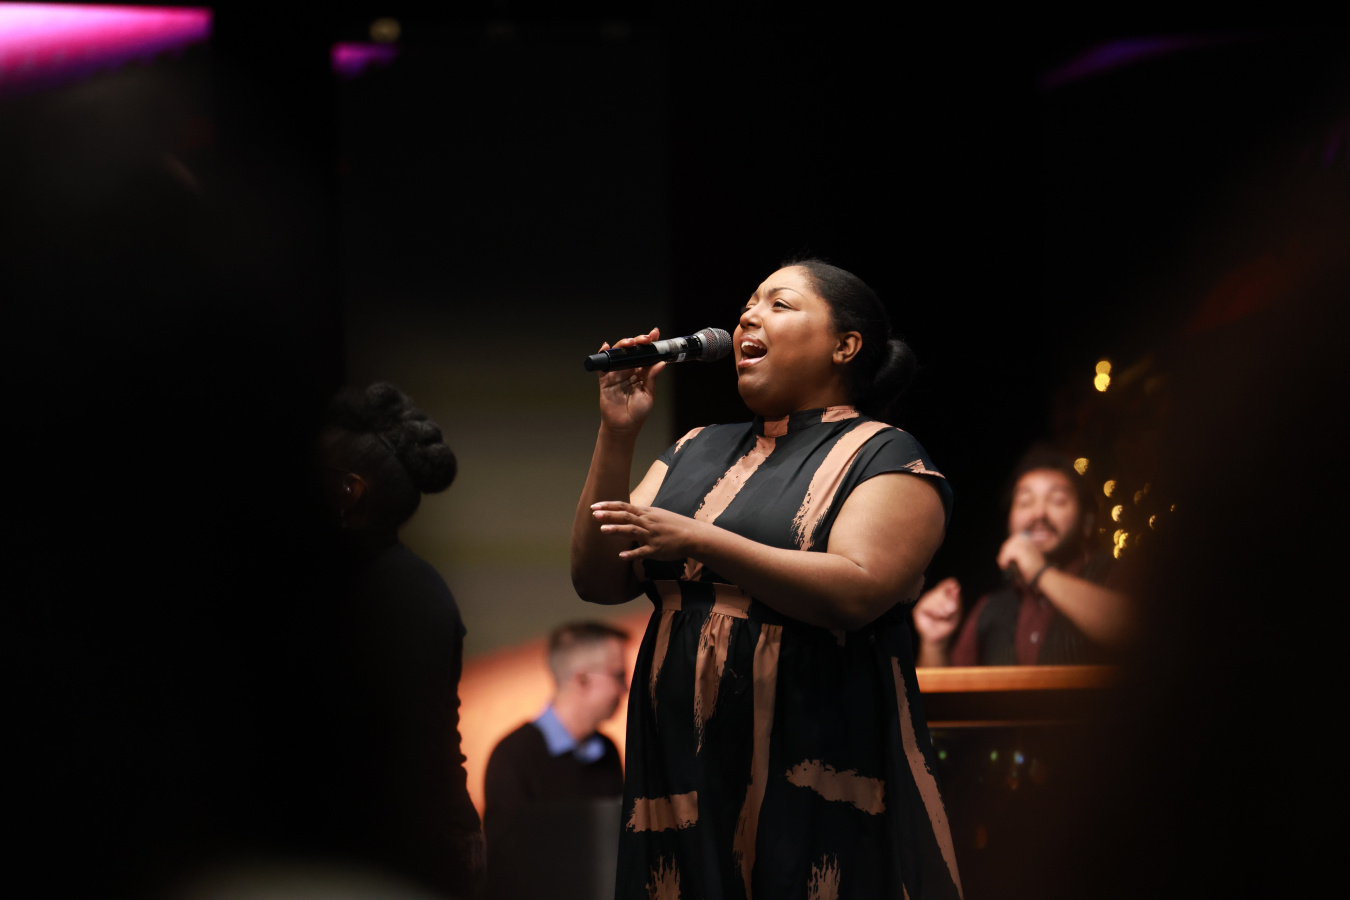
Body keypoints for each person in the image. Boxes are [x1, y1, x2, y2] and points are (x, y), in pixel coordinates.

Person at [570, 260, 962, 899]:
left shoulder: (884, 453)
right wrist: (618, 433)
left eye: (779, 304)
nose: (748, 315)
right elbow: (597, 579)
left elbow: (857, 589)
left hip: (810, 760)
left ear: (845, 345)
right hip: (681, 766)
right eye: (749, 304)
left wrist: (700, 539)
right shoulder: (695, 446)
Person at [317, 383, 484, 898]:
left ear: (349, 490)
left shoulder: (403, 591)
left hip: (409, 848)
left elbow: (406, 750)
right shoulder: (363, 581)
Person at [912, 444, 1133, 667]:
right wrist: (934, 643)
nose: (1039, 513)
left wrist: (1040, 572)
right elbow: (945, 688)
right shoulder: (990, 609)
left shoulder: (1113, 574)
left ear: (1087, 523)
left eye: (1058, 500)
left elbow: (1135, 630)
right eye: (1025, 502)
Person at [482, 622, 628, 898]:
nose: (625, 688)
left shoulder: (607, 751)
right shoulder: (514, 756)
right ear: (582, 680)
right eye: (619, 675)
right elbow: (506, 870)